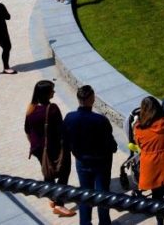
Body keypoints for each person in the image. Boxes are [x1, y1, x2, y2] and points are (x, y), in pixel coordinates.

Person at [63, 85, 117, 225]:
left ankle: (85, 223)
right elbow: (110, 143)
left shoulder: (70, 118)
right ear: (91, 99)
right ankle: (104, 223)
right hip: (101, 164)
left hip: (81, 162)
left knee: (85, 195)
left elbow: (65, 139)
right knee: (102, 195)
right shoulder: (100, 120)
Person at [25, 81, 76, 218]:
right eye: (52, 90)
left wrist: (35, 144)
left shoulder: (31, 108)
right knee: (64, 171)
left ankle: (52, 197)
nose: (54, 92)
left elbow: (27, 130)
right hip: (53, 147)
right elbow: (61, 130)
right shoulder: (52, 109)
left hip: (37, 148)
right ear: (46, 93)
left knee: (47, 171)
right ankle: (59, 204)